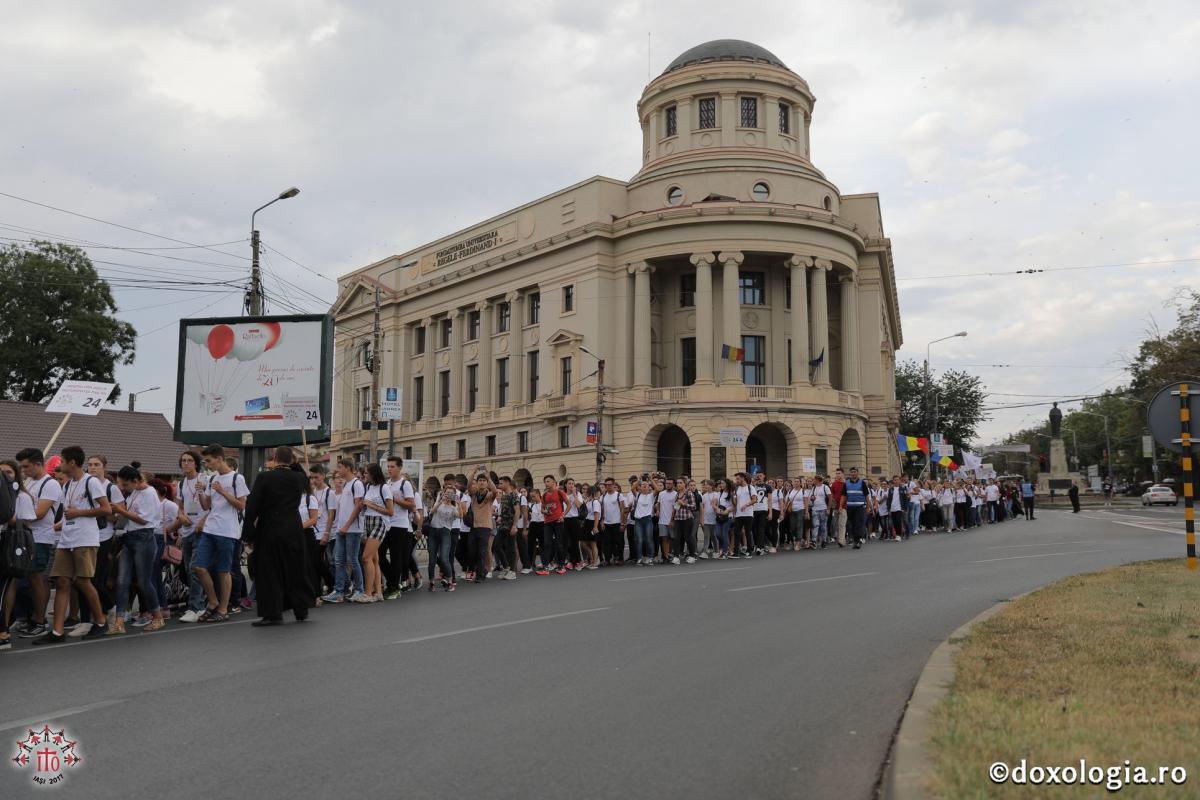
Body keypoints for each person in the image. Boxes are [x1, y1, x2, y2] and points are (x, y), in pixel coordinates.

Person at [33, 445, 111, 644]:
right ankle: (57, 632)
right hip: (67, 539)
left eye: (62, 461)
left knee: (83, 581)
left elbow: (106, 509)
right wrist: (57, 526)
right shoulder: (67, 485)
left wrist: (79, 513)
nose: (59, 465)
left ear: (72, 463)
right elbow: (68, 514)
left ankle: (101, 622)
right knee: (61, 581)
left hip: (85, 539)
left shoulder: (91, 482)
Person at [241, 447, 314, 625]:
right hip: (293, 527)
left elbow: (252, 506)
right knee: (295, 569)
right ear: (293, 460)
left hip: (270, 528)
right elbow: (304, 477)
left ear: (274, 458)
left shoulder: (265, 477)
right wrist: (296, 464)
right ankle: (301, 609)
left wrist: (248, 533)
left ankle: (272, 613)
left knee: (269, 571)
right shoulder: (299, 478)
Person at [193, 444, 250, 622]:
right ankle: (212, 602)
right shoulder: (212, 479)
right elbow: (206, 506)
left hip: (227, 530)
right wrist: (201, 491)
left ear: (219, 458)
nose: (207, 464)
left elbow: (242, 505)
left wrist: (223, 492)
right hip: (210, 528)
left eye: (209, 461)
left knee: (223, 570)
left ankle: (223, 609)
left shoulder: (237, 478)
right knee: (199, 567)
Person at [108, 465, 166, 634]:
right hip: (130, 538)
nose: (122, 488)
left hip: (144, 538)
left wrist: (120, 511)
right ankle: (119, 622)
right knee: (122, 580)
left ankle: (157, 616)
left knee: (143, 581)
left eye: (125, 485)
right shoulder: (134, 492)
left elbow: (143, 520)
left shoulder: (149, 493)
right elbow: (130, 517)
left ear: (135, 481)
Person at [14, 448, 60, 640]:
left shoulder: (50, 484)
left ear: (38, 464)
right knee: (25, 581)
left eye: (26, 466)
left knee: (38, 580)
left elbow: (38, 514)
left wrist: (14, 519)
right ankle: (31, 617)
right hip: (27, 537)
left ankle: (40, 621)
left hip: (41, 538)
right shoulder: (30, 482)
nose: (23, 471)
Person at [323, 458, 366, 603]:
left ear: (347, 468)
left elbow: (358, 506)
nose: (338, 470)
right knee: (338, 560)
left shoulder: (357, 484)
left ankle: (360, 589)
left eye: (340, 467)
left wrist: (347, 525)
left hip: (353, 529)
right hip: (341, 529)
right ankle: (339, 590)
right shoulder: (347, 485)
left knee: (353, 560)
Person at [175, 450, 208, 623]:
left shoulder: (205, 479)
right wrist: (181, 516)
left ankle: (196, 607)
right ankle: (199, 604)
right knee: (188, 570)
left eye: (189, 460)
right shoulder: (181, 484)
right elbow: (179, 507)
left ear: (196, 463)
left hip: (201, 530)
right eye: (183, 461)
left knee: (196, 569)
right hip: (187, 530)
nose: (186, 463)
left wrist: (202, 520)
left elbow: (212, 505)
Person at [358, 463, 393, 602]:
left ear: (373, 474)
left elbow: (390, 511)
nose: (364, 475)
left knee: (366, 558)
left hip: (380, 522)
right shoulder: (368, 487)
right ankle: (378, 592)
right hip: (368, 521)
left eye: (366, 473)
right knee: (373, 559)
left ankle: (368, 593)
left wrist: (371, 505)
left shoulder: (384, 488)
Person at [844, 467, 868, 549]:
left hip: (860, 507)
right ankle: (855, 540)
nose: (853, 473)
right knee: (851, 525)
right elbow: (844, 496)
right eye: (852, 472)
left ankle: (857, 541)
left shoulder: (862, 483)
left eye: (854, 472)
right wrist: (841, 506)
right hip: (850, 507)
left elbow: (866, 496)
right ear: (850, 474)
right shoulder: (846, 483)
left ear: (857, 473)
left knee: (858, 524)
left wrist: (868, 507)